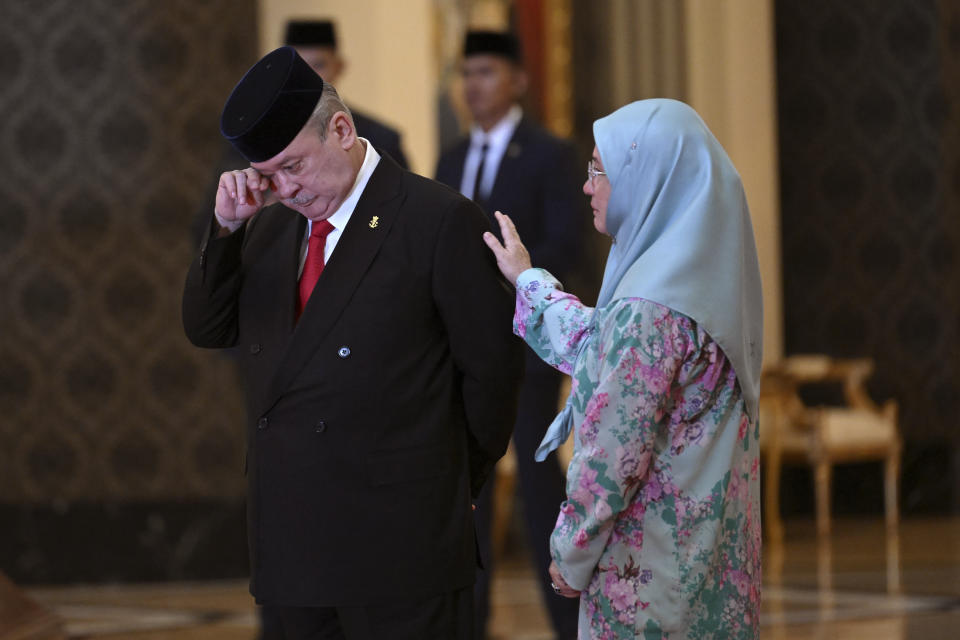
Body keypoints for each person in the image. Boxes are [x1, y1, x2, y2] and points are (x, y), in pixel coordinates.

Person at [183, 46, 523, 639]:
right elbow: (208, 329)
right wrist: (226, 231)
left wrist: (444, 482)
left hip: (400, 546)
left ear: (340, 129)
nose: (285, 188)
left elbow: (492, 377)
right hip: (293, 544)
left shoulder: (436, 219)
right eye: (268, 175)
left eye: (293, 166)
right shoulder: (267, 229)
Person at [483, 99, 763, 638]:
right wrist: (527, 278)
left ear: (646, 177)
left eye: (598, 169)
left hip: (651, 580)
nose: (587, 186)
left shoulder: (648, 309)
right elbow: (603, 348)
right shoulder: (700, 283)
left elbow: (612, 454)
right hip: (713, 567)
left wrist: (570, 551)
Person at [435, 30, 583, 640]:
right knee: (464, 486)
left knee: (538, 483)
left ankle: (569, 622)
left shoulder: (549, 153)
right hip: (460, 355)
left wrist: (503, 290)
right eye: (466, 73)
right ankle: (470, 625)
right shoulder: (447, 159)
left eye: (487, 72)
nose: (474, 85)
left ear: (519, 79)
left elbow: (565, 245)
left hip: (528, 350)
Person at [193, 19, 409, 244]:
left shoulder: (382, 138)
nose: (308, 76)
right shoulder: (255, 140)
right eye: (300, 67)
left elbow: (403, 213)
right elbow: (208, 231)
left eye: (318, 65)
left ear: (339, 66)